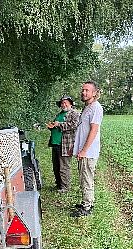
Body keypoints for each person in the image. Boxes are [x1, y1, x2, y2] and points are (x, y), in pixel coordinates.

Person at [71, 80, 104, 217]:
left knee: (87, 178)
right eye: (83, 90)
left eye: (87, 90)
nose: (84, 92)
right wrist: (76, 148)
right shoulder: (87, 107)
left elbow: (93, 130)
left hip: (88, 152)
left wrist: (84, 150)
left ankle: (87, 207)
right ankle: (86, 202)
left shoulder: (96, 107)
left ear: (94, 93)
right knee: (83, 178)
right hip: (83, 151)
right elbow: (82, 130)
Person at [46, 95, 80, 193]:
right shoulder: (59, 114)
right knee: (56, 166)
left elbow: (74, 125)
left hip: (65, 144)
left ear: (70, 104)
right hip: (55, 143)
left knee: (64, 167)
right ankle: (59, 185)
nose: (63, 104)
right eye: (62, 103)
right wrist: (51, 126)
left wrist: (59, 124)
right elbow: (56, 126)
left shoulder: (74, 114)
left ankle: (65, 187)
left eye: (66, 102)